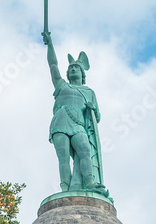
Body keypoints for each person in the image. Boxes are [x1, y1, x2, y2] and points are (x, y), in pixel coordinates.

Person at [42, 30, 108, 195]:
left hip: (78, 125)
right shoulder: (62, 86)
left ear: (82, 73)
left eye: (76, 68)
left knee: (85, 150)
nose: (72, 70)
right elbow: (53, 65)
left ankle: (90, 182)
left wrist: (92, 109)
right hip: (60, 123)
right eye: (70, 68)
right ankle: (65, 187)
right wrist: (50, 44)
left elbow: (97, 117)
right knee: (63, 157)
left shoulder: (89, 92)